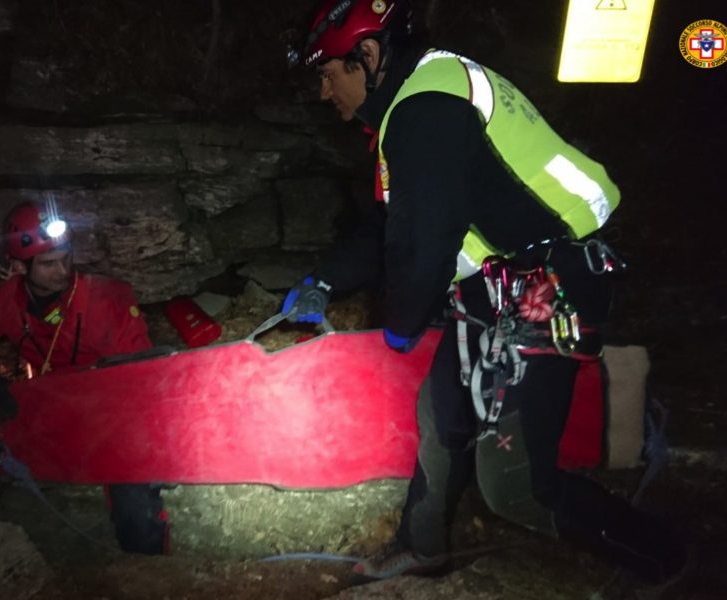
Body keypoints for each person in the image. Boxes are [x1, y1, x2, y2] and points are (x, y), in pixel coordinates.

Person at [282, 0, 690, 592]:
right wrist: (322, 280)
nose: (325, 92)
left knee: (516, 486)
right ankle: (420, 546)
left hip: (548, 290)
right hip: (498, 290)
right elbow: (388, 225)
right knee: (440, 412)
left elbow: (423, 240)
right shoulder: (416, 104)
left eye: (328, 73)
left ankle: (665, 559)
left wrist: (401, 324)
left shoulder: (426, 109)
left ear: (367, 57)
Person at [0, 199, 168, 555]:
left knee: (136, 513)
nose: (63, 270)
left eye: (66, 256)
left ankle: (150, 570)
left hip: (109, 416)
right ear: (19, 266)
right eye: (48, 264)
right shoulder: (3, 302)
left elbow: (141, 373)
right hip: (44, 410)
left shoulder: (108, 299)